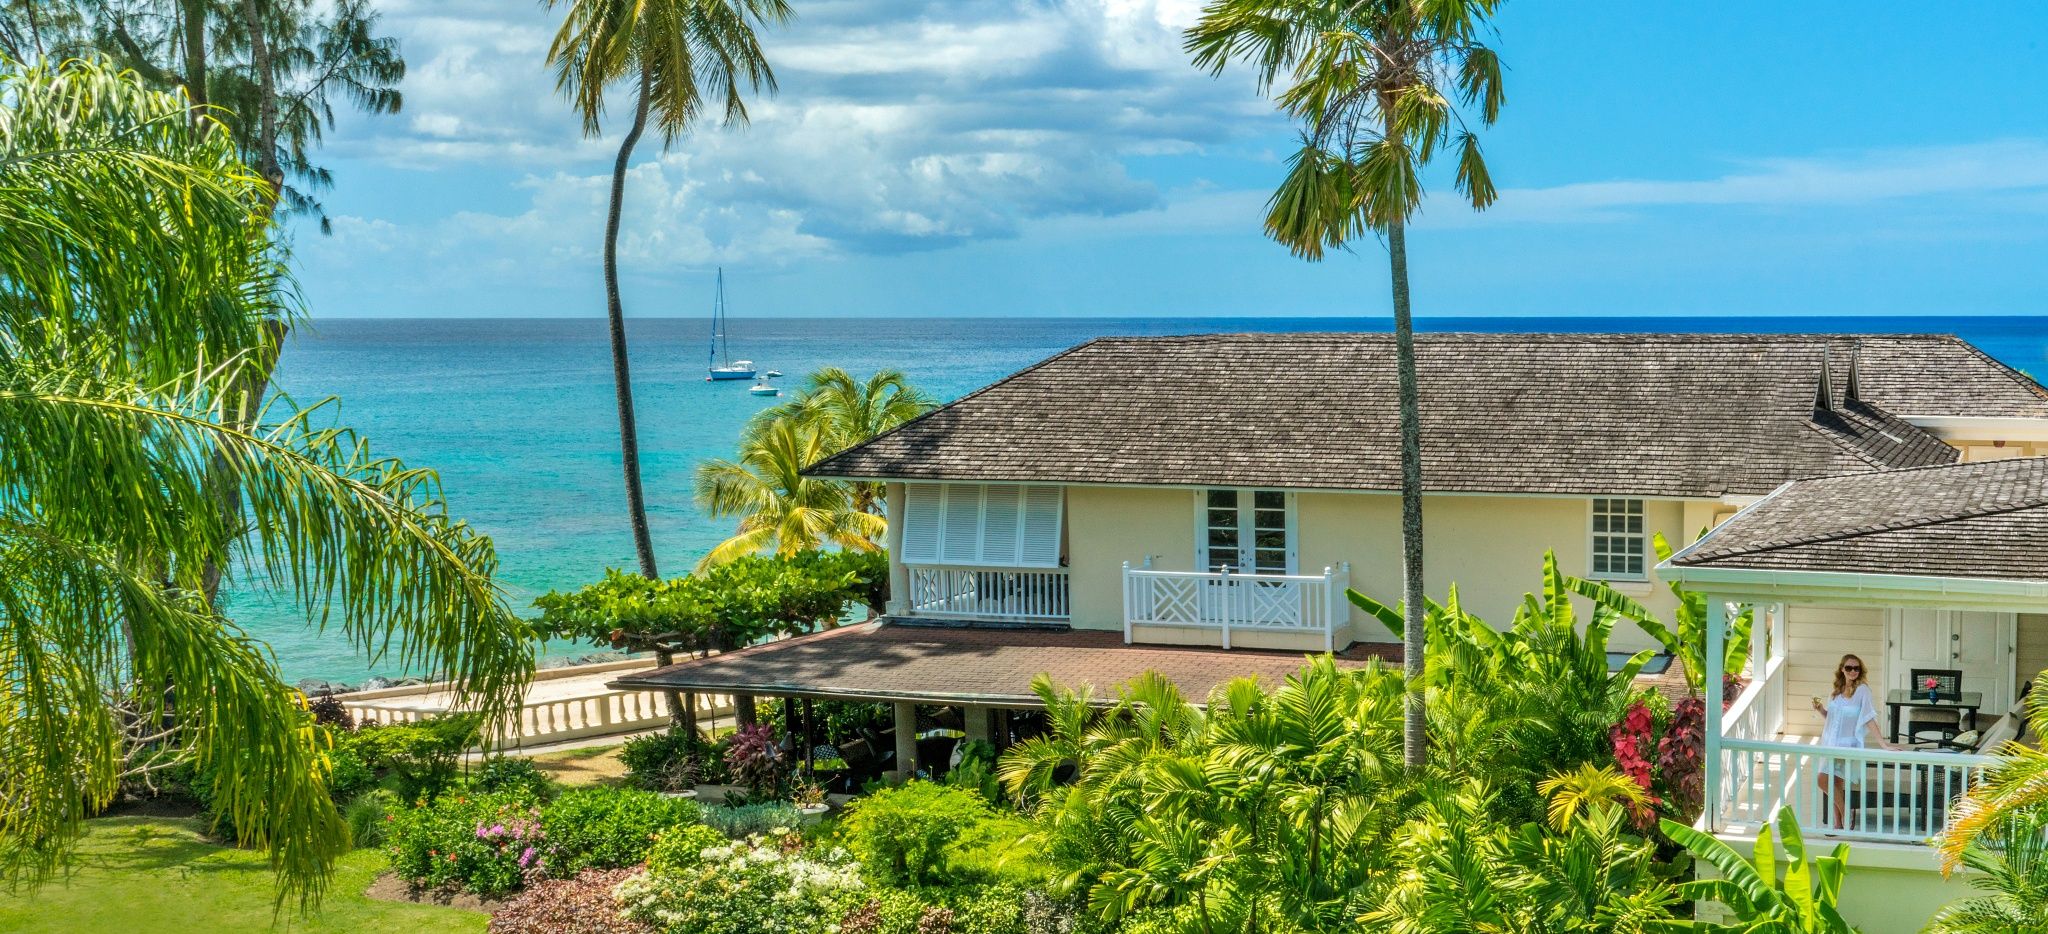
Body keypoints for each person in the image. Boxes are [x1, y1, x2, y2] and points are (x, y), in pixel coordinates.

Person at [1809, 653, 1896, 831]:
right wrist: (1821, 710)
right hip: (1830, 743)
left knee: (1822, 780)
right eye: (1849, 668)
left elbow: (1869, 718)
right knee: (1834, 784)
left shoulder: (1862, 690)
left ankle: (1847, 812)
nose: (1853, 671)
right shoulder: (1835, 692)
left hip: (1847, 745)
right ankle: (1838, 824)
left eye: (1856, 668)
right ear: (1842, 669)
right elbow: (1832, 719)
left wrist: (1883, 744)